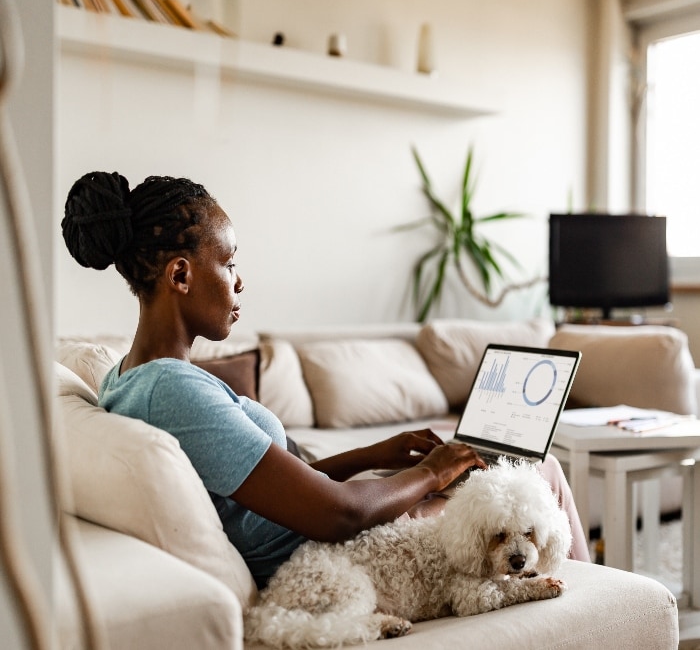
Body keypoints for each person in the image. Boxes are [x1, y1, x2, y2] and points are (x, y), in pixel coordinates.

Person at [61, 172, 590, 589]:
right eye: (229, 262)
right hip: (338, 553)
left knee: (505, 468)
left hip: (326, 533)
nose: (239, 279)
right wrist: (431, 472)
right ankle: (596, 604)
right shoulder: (172, 392)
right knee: (539, 469)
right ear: (181, 275)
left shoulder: (126, 378)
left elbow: (276, 483)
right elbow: (335, 515)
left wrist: (376, 453)